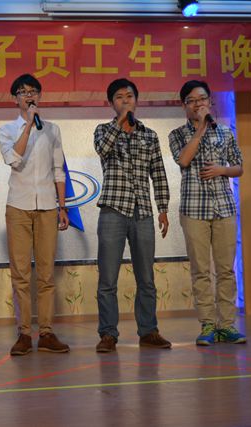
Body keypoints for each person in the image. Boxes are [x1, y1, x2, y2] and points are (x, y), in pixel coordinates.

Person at [94, 78, 172, 353]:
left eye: (129, 96)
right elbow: (102, 150)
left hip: (143, 212)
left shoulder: (149, 135)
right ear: (111, 103)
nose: (125, 101)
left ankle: (148, 331)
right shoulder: (104, 130)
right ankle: (108, 334)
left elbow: (158, 173)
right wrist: (120, 122)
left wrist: (163, 208)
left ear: (136, 100)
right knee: (107, 279)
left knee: (146, 278)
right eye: (119, 97)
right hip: (113, 210)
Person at [168, 80, 246, 346]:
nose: (198, 104)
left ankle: (227, 325)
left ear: (210, 101)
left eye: (202, 99)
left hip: (224, 207)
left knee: (226, 270)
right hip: (194, 209)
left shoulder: (225, 132)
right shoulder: (178, 134)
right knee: (201, 270)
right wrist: (200, 128)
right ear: (184, 106)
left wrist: (222, 170)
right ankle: (208, 325)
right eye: (191, 101)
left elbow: (239, 167)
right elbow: (183, 160)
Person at [0, 73, 70, 356]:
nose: (29, 96)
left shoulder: (52, 130)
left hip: (48, 208)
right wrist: (28, 125)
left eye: (33, 91)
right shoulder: (6, 130)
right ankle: (24, 333)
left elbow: (58, 170)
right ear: (15, 98)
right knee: (21, 274)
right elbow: (13, 160)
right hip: (18, 206)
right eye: (23, 92)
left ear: (40, 96)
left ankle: (47, 332)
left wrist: (62, 206)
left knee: (47, 273)